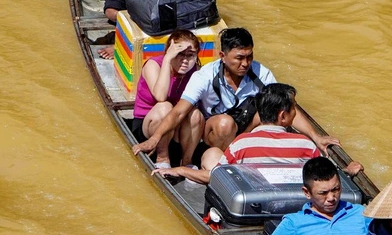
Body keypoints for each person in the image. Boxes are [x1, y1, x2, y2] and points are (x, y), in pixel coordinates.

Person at [132, 28, 336, 167]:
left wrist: (316, 137)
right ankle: (215, 162)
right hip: (214, 132)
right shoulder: (204, 76)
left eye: (249, 57)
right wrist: (155, 138)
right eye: (239, 58)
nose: (245, 64)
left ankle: (245, 155)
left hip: (245, 129)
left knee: (269, 112)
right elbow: (178, 113)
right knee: (224, 123)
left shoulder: (261, 73)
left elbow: (286, 107)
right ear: (222, 56)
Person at [154, 84, 363, 182]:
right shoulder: (305, 145)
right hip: (291, 204)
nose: (295, 113)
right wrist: (348, 171)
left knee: (211, 157)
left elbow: (214, 177)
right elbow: (327, 177)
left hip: (256, 204)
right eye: (294, 109)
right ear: (283, 116)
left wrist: (181, 170)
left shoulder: (241, 144)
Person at [129, 29, 205, 168]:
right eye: (180, 54)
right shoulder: (153, 65)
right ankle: (162, 158)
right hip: (149, 124)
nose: (185, 61)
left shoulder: (196, 71)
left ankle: (186, 162)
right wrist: (167, 60)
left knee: (195, 114)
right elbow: (160, 96)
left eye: (190, 55)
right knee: (165, 107)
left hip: (176, 126)